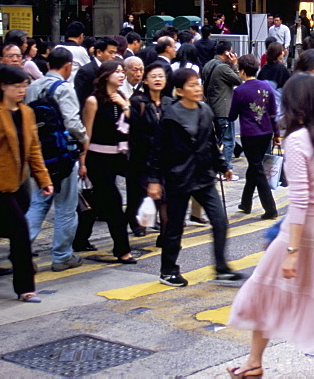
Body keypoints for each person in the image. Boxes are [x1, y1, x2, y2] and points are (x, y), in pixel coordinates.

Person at [228, 73, 314, 378]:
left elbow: (300, 201)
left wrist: (292, 251)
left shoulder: (297, 141)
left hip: (303, 231)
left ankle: (254, 361)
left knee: (265, 292)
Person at [148, 68, 243, 287]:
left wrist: (222, 166)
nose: (197, 88)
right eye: (191, 85)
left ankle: (221, 267)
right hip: (178, 177)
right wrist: (154, 179)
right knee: (174, 227)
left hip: (203, 176)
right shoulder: (170, 117)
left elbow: (210, 142)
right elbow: (157, 151)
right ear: (180, 91)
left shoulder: (205, 111)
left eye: (198, 83)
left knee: (220, 220)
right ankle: (168, 270)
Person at [0, 65, 53, 302]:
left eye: (24, 86)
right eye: (17, 86)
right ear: (3, 86)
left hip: (18, 184)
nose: (21, 91)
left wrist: (43, 179)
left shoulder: (26, 112)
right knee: (19, 232)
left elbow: (34, 150)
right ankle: (25, 287)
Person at [25, 48, 89, 270]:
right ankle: (62, 255)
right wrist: (84, 137)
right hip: (63, 154)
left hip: (39, 154)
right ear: (68, 66)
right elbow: (72, 122)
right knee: (65, 206)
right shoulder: (64, 88)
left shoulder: (32, 86)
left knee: (39, 202)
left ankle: (21, 251)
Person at [82, 59, 136, 264]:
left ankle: (80, 238)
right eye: (118, 72)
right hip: (97, 158)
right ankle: (122, 250)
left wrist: (124, 105)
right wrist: (83, 162)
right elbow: (86, 133)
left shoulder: (122, 97)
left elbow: (135, 123)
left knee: (101, 201)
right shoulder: (93, 101)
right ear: (106, 76)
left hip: (119, 157)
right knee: (113, 203)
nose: (122, 75)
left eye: (123, 71)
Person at [229, 55, 280, 220]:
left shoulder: (239, 91)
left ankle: (270, 208)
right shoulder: (266, 86)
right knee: (255, 166)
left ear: (242, 71)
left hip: (249, 135)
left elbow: (231, 115)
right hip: (266, 133)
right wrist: (277, 135)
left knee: (257, 170)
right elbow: (273, 113)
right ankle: (245, 202)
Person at [127, 62, 168, 238]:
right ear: (145, 81)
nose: (157, 79)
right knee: (143, 195)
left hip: (165, 161)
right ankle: (138, 223)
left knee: (165, 199)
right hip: (142, 159)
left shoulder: (169, 103)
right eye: (153, 76)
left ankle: (166, 238)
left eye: (161, 76)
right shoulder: (138, 102)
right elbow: (132, 132)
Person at [202, 41, 242, 174]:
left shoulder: (208, 64)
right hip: (224, 109)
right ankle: (226, 169)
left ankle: (218, 168)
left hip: (211, 107)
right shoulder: (223, 68)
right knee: (228, 141)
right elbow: (238, 80)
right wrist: (235, 64)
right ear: (227, 52)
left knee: (218, 140)